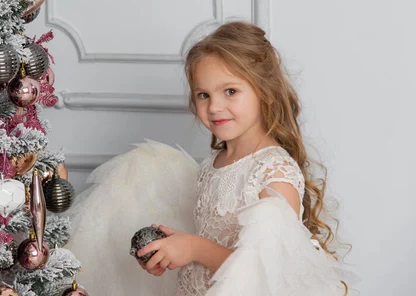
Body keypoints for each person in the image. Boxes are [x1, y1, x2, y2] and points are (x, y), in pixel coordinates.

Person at [136, 21, 352, 295]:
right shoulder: (213, 163)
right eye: (203, 95)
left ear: (265, 90)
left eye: (230, 91)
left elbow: (271, 274)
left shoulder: (275, 173)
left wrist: (194, 249)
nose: (214, 107)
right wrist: (172, 249)